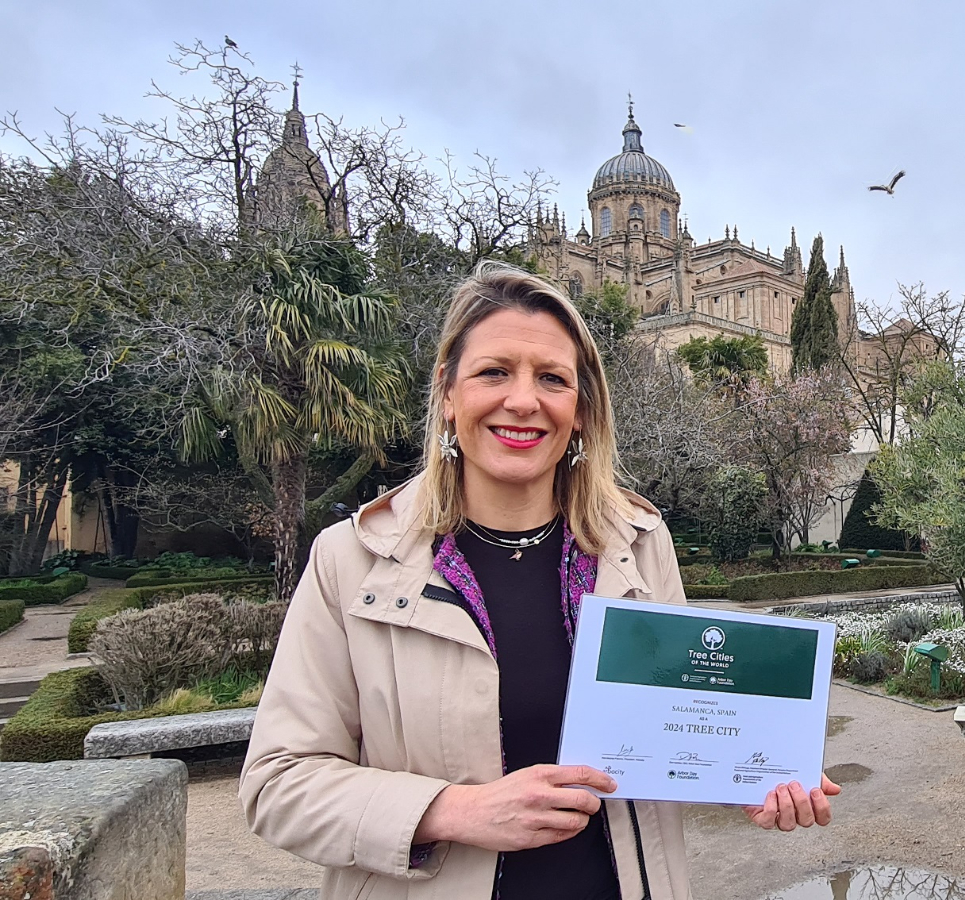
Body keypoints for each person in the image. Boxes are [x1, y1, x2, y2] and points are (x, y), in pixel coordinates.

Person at [240, 263, 840, 900]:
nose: (523, 400)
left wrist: (744, 779)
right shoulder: (353, 559)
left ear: (580, 409)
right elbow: (279, 783)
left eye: (552, 379)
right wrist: (451, 811)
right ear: (447, 391)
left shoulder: (637, 545)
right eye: (494, 371)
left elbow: (673, 730)